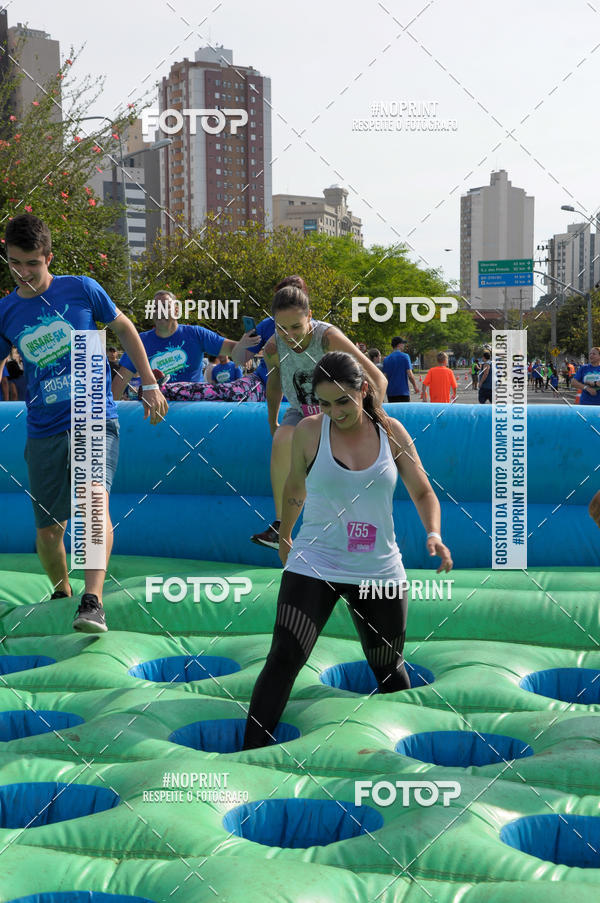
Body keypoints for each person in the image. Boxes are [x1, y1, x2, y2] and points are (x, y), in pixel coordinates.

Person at [241, 351, 453, 749]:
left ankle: (411, 757)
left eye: (343, 401)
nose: (335, 412)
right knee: (284, 656)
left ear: (364, 390)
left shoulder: (391, 431)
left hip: (378, 568)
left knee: (387, 668)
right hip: (315, 560)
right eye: (324, 403)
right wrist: (286, 537)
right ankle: (248, 754)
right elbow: (294, 489)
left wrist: (434, 533)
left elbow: (423, 491)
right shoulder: (309, 431)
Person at [0, 213, 167, 631]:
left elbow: (125, 328)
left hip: (93, 414)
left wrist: (147, 381)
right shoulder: (5, 311)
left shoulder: (81, 289)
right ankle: (63, 591)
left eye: (32, 264)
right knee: (48, 532)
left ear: (48, 258)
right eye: (14, 263)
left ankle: (92, 600)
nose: (23, 273)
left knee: (92, 500)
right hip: (42, 426)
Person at [250, 285, 387, 550]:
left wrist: (369, 421)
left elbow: (378, 379)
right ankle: (281, 526)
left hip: (341, 413)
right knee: (281, 438)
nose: (289, 335)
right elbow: (275, 383)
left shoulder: (327, 338)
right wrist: (272, 421)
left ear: (309, 316)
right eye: (281, 328)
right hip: (302, 412)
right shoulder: (272, 347)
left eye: (296, 327)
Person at [111, 290, 238, 400]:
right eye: (155, 307)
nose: (160, 311)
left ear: (176, 310)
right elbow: (120, 381)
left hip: (193, 409)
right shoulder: (140, 341)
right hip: (157, 410)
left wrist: (246, 351)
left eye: (165, 306)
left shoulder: (196, 334)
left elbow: (233, 348)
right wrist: (107, 418)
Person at [382, 337, 418, 402]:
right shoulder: (405, 356)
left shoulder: (386, 359)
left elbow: (385, 377)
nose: (404, 345)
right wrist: (415, 386)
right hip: (403, 391)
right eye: (403, 343)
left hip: (391, 392)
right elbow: (410, 374)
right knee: (404, 411)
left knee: (393, 411)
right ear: (399, 345)